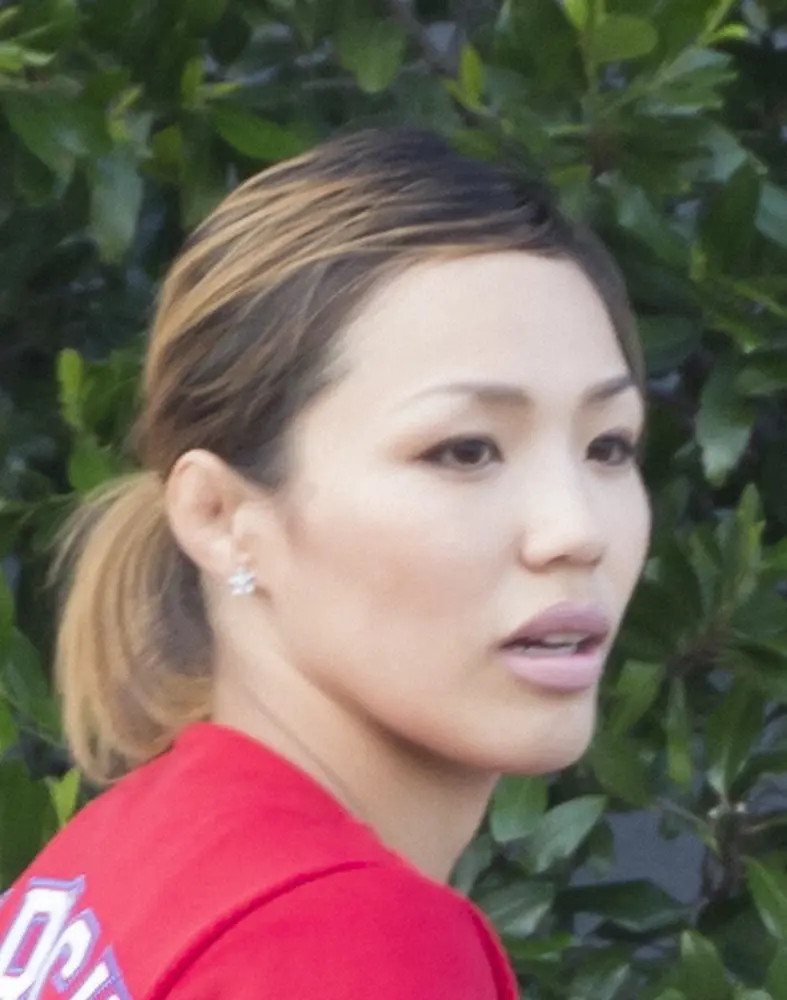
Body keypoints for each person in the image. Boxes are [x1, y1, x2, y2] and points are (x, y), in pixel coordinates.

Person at [0, 127, 650, 1000]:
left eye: (608, 446)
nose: (575, 530)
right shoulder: (353, 940)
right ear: (220, 516)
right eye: (464, 450)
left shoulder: (111, 866)